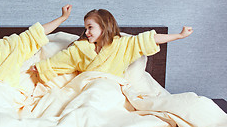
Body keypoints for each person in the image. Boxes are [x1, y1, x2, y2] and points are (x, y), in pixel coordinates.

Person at [32, 9, 193, 84]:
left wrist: (179, 35)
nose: (86, 32)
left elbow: (150, 39)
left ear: (104, 26)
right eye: (85, 28)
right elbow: (60, 61)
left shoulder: (123, 45)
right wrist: (41, 68)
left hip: (111, 88)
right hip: (88, 88)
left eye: (90, 27)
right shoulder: (80, 49)